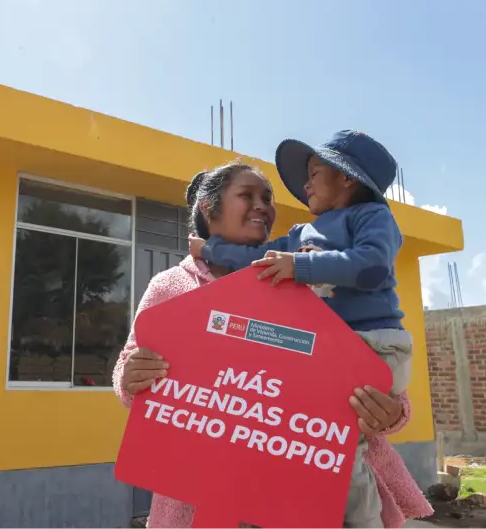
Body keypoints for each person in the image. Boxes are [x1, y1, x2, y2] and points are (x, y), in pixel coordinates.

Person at [113, 161, 432, 529]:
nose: (263, 206)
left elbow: (361, 363)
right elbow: (128, 372)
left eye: (268, 198)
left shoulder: (303, 278)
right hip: (198, 502)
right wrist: (130, 376)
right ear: (208, 207)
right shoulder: (170, 286)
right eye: (247, 196)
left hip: (300, 498)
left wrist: (392, 412)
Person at [188, 131, 412, 529]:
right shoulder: (301, 235)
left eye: (315, 172)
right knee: (318, 442)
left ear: (346, 178)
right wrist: (210, 251)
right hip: (332, 349)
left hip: (374, 343)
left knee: (337, 446)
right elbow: (260, 258)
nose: (306, 184)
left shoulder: (372, 217)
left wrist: (303, 267)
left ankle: (362, 522)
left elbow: (373, 264)